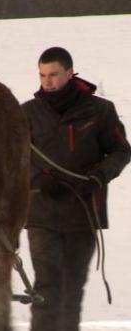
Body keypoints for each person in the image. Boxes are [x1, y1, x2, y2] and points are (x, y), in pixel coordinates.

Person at [22, 47, 130, 331]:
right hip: (42, 216)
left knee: (72, 290)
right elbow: (11, 159)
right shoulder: (27, 113)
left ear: (70, 73)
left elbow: (121, 151)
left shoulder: (99, 110)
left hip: (83, 215)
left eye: (54, 74)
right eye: (43, 75)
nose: (47, 81)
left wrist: (98, 176)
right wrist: (35, 181)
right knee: (46, 288)